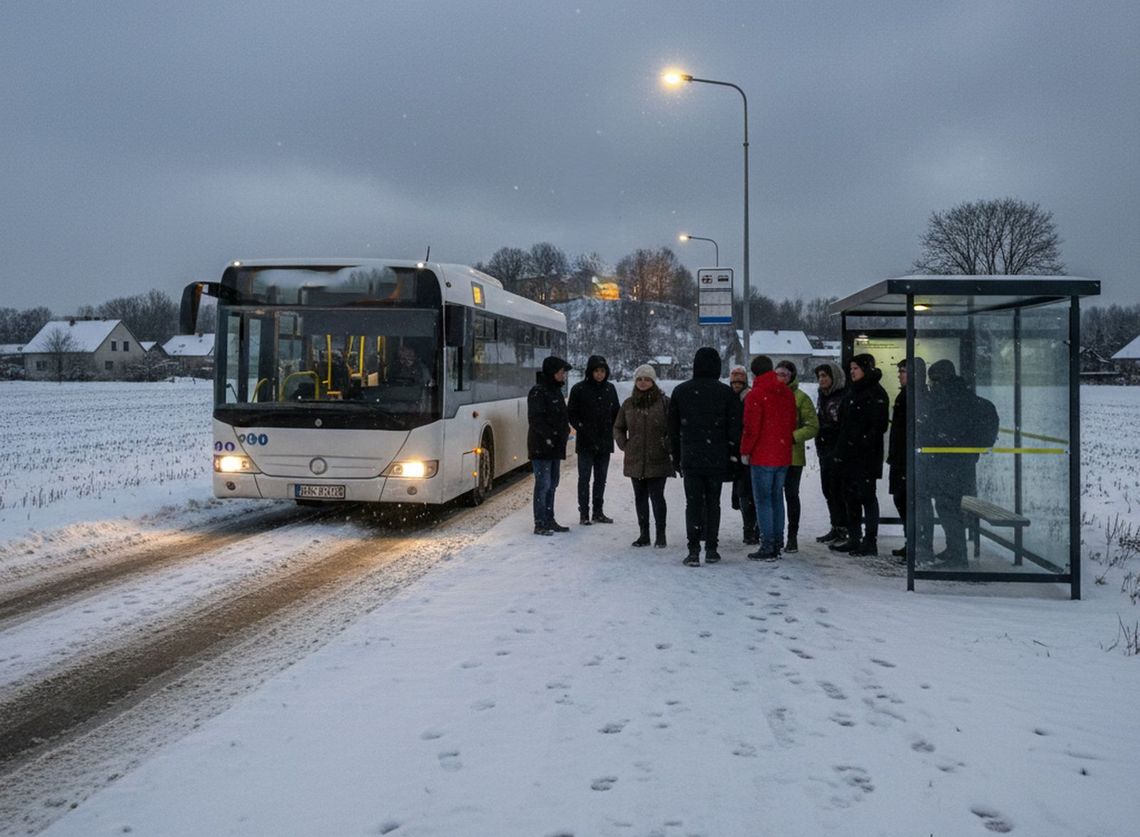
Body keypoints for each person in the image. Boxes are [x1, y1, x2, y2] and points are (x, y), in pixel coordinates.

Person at [668, 347, 740, 567]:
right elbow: (735, 428)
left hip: (691, 457)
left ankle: (693, 550)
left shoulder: (681, 391)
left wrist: (677, 457)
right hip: (717, 457)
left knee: (693, 504)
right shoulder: (726, 393)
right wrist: (732, 455)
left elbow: (672, 429)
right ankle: (711, 548)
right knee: (713, 503)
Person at [916, 359, 977, 568]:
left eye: (933, 381)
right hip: (955, 464)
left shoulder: (951, 399)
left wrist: (934, 437)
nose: (931, 385)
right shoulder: (960, 394)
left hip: (951, 464)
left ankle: (958, 556)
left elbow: (947, 430)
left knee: (948, 508)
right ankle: (954, 549)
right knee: (947, 507)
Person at [829, 353, 890, 557]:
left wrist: (859, 442)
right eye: (851, 369)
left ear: (866, 369)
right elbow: (845, 424)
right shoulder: (852, 391)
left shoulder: (875, 393)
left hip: (865, 457)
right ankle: (854, 538)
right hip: (848, 456)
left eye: (856, 368)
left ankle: (869, 541)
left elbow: (878, 426)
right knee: (850, 498)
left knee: (866, 497)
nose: (852, 372)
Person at [739, 355, 797, 560]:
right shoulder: (787, 393)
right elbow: (792, 423)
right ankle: (778, 541)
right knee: (776, 498)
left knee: (763, 501)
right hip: (782, 455)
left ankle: (768, 545)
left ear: (754, 373)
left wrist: (745, 451)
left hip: (763, 455)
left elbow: (751, 428)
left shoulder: (756, 394)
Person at [613, 364, 674, 548]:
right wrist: (625, 444)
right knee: (640, 498)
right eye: (639, 379)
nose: (643, 382)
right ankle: (644, 534)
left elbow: (673, 427)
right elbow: (618, 427)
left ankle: (661, 535)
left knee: (657, 497)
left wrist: (667, 444)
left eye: (647, 379)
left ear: (653, 381)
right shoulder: (628, 404)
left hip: (658, 459)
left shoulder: (665, 403)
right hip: (635, 459)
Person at [567, 355, 621, 525]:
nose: (599, 374)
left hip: (604, 441)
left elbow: (617, 413)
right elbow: (572, 413)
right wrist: (582, 427)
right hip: (585, 442)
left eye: (603, 371)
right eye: (596, 371)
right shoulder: (579, 389)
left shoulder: (610, 389)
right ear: (590, 372)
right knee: (584, 478)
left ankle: (598, 511)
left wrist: (613, 429)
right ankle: (584, 513)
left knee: (600, 478)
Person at [775, 360, 820, 553]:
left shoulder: (801, 398)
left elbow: (812, 426)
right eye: (778, 374)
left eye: (784, 374)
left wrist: (793, 437)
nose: (780, 378)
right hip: (772, 455)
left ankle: (792, 536)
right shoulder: (770, 395)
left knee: (791, 496)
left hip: (793, 456)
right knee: (773, 497)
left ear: (792, 376)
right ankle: (774, 535)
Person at [886, 357, 928, 563]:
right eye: (900, 371)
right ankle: (911, 541)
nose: (900, 375)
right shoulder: (906, 395)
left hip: (910, 460)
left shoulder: (917, 396)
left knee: (909, 501)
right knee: (902, 500)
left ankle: (917, 544)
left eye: (904, 371)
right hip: (902, 458)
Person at [528, 355, 573, 536]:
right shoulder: (538, 392)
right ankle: (540, 522)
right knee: (543, 484)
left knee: (552, 483)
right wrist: (552, 435)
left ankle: (549, 518)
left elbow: (561, 417)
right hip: (542, 447)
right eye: (561, 372)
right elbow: (536, 420)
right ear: (553, 372)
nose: (563, 375)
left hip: (554, 446)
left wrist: (564, 431)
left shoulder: (556, 391)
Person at [813, 362, 848, 544]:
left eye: (825, 376)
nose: (822, 380)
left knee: (838, 490)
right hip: (825, 450)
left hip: (837, 450)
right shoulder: (823, 396)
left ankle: (844, 527)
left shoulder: (841, 397)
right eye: (819, 376)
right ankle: (836, 525)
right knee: (828, 490)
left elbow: (840, 425)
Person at [727, 366, 758, 545]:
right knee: (742, 494)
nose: (736, 384)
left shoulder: (749, 398)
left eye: (740, 382)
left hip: (747, 451)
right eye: (734, 382)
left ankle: (751, 530)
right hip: (735, 451)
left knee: (747, 494)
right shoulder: (729, 398)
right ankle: (750, 529)